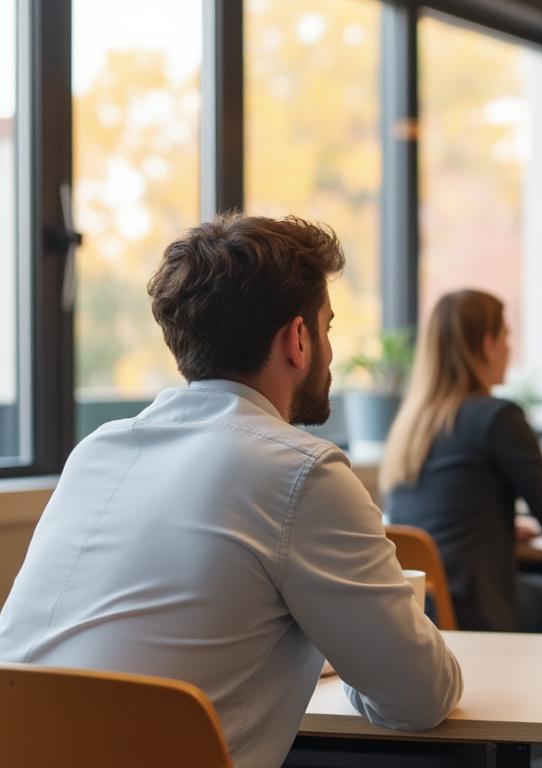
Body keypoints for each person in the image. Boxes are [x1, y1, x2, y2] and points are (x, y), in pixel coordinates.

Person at [0, 215, 462, 768]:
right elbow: (418, 697)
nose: (330, 351)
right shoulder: (301, 471)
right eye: (328, 328)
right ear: (298, 339)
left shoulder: (97, 451)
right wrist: (348, 648)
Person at [381, 290, 542, 633]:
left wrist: (498, 527)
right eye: (506, 336)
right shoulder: (498, 418)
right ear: (487, 343)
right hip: (478, 612)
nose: (509, 348)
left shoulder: (411, 425)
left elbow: (445, 512)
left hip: (419, 611)